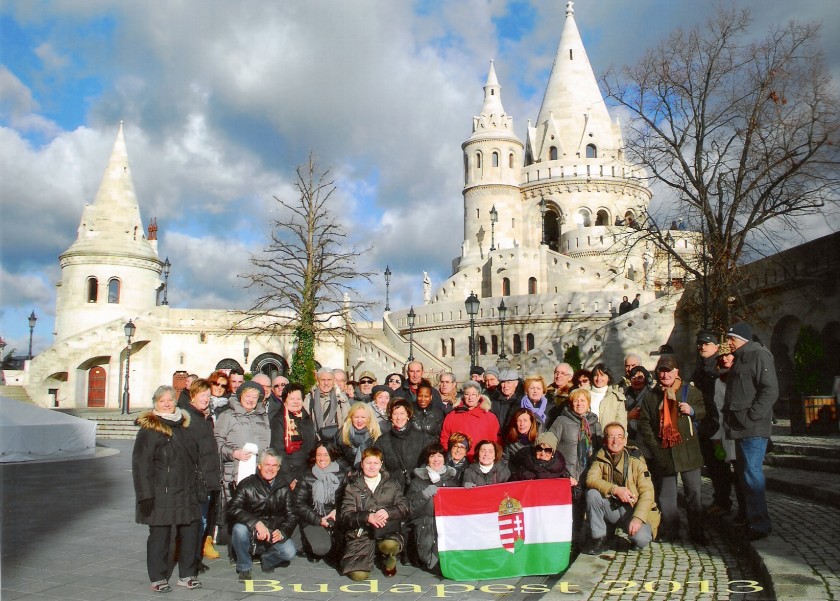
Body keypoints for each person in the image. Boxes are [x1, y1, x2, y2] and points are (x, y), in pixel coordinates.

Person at [133, 385, 203, 593]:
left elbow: (195, 459)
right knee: (160, 536)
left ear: (175, 402)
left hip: (186, 490)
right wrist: (145, 496)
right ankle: (158, 577)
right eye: (162, 400)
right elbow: (141, 465)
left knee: (190, 533)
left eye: (170, 400)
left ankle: (187, 575)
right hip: (160, 493)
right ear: (155, 403)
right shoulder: (149, 430)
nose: (166, 404)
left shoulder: (184, 426)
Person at [638, 356, 706, 544]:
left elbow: (703, 411)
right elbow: (644, 423)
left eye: (669, 370)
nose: (665, 374)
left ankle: (697, 533)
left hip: (688, 451)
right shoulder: (651, 396)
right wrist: (655, 446)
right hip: (664, 452)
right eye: (662, 370)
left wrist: (692, 410)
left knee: (694, 494)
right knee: (666, 496)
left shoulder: (689, 392)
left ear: (676, 372)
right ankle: (671, 531)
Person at [723, 321, 778, 540]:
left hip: (752, 427)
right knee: (745, 476)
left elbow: (770, 389)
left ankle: (759, 525)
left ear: (742, 339)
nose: (728, 343)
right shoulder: (743, 357)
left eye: (731, 338)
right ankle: (751, 520)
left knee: (752, 476)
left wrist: (752, 416)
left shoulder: (758, 355)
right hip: (741, 427)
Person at [584, 422, 660, 555]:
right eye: (611, 436)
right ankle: (599, 538)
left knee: (640, 539)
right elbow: (591, 479)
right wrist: (615, 489)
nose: (615, 441)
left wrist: (638, 518)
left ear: (625, 440)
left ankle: (632, 533)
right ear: (605, 440)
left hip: (634, 509)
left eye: (619, 436)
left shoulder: (636, 460)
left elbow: (648, 493)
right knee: (592, 494)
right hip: (613, 506)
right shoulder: (600, 457)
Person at [340, 447, 409, 580]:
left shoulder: (392, 483)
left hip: (386, 529)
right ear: (362, 464)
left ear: (381, 464)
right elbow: (346, 514)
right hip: (361, 532)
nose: (372, 467)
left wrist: (388, 511)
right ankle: (369, 557)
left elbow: (404, 506)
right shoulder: (352, 486)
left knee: (389, 545)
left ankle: (388, 558)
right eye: (368, 463)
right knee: (359, 576)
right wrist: (367, 517)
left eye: (375, 463)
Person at [228, 449, 297, 580]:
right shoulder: (247, 484)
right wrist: (256, 523)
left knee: (289, 552)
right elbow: (233, 508)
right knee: (239, 529)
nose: (270, 469)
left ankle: (267, 559)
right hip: (250, 529)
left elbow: (292, 515)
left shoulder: (284, 487)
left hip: (273, 529)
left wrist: (282, 531)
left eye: (274, 465)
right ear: (259, 466)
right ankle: (244, 567)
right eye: (267, 464)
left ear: (278, 468)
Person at [549, 388, 601, 545]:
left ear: (588, 403)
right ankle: (570, 541)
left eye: (582, 400)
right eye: (576, 401)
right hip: (569, 472)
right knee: (571, 510)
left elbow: (599, 448)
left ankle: (588, 537)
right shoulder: (561, 421)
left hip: (589, 471)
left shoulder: (594, 423)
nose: (579, 404)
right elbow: (551, 443)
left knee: (586, 506)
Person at [182, 378, 223, 569]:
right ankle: (190, 560)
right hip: (198, 479)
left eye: (208, 395)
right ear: (193, 395)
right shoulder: (189, 418)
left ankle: (194, 557)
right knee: (197, 521)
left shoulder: (204, 417)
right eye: (202, 395)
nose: (206, 399)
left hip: (208, 477)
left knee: (203, 520)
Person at [406, 443, 461, 572]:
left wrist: (468, 490)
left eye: (439, 456)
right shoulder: (417, 482)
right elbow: (409, 509)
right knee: (436, 565)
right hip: (426, 527)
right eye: (432, 456)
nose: (436, 460)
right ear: (427, 459)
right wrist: (423, 495)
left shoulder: (452, 481)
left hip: (448, 528)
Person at [215, 381, 272, 500]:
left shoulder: (264, 417)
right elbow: (216, 443)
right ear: (241, 396)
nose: (251, 400)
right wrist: (234, 453)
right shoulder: (227, 416)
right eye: (248, 396)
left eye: (254, 397)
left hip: (258, 475)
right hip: (233, 474)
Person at [692, 330, 728, 516]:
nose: (702, 346)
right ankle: (720, 499)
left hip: (719, 424)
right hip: (705, 424)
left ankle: (724, 501)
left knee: (720, 463)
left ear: (715, 346)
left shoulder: (718, 366)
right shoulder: (700, 368)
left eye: (706, 343)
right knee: (713, 464)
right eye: (700, 343)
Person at [293, 444, 348, 564]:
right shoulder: (306, 475)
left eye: (325, 455)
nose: (322, 458)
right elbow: (299, 504)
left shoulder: (341, 474)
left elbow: (347, 499)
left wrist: (337, 511)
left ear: (331, 456)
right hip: (313, 517)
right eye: (319, 455)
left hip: (334, 516)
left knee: (344, 549)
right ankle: (309, 544)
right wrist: (318, 520)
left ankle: (330, 541)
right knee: (320, 549)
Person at [269, 382, 318, 485]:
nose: (296, 402)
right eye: (292, 399)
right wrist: (289, 478)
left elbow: (313, 443)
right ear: (284, 400)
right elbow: (278, 451)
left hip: (308, 471)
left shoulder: (306, 417)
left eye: (299, 399)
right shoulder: (279, 420)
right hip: (290, 473)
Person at [375, 398, 427, 492]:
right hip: (392, 489)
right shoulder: (382, 441)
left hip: (415, 488)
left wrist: (418, 479)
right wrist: (389, 481)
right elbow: (378, 465)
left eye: (402, 413)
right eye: (395, 414)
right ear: (391, 417)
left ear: (408, 415)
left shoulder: (421, 438)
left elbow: (426, 462)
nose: (398, 417)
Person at [439, 381, 500, 461]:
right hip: (457, 460)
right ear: (463, 396)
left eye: (474, 394)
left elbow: (495, 440)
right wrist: (449, 455)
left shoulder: (490, 417)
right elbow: (445, 437)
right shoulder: (452, 415)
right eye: (467, 394)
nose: (470, 398)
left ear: (479, 396)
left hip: (480, 461)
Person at [332, 402, 381, 471]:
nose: (359, 420)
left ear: (368, 418)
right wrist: (347, 470)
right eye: (356, 417)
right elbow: (335, 455)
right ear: (351, 417)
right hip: (346, 473)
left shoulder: (375, 435)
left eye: (363, 417)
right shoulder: (342, 433)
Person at [307, 367, 347, 441]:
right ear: (318, 381)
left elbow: (346, 421)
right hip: (315, 441)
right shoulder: (309, 398)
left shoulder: (341, 399)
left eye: (329, 380)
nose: (326, 383)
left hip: (335, 441)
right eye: (323, 380)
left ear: (333, 381)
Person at [623, 366, 654, 459]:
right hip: (630, 440)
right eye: (633, 378)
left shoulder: (652, 395)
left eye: (640, 377)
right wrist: (628, 416)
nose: (636, 380)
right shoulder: (625, 395)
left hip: (647, 441)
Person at [589, 363, 626, 430]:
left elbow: (622, 423)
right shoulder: (585, 394)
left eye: (602, 375)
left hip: (608, 437)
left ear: (608, 377)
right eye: (596, 375)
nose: (598, 378)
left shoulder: (616, 397)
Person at [490, 369, 522, 436]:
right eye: (503, 382)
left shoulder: (521, 401)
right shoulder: (494, 401)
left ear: (516, 383)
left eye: (508, 382)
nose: (505, 386)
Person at [545, 363, 574, 427]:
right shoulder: (547, 391)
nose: (558, 376)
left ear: (570, 377)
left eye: (562, 373)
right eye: (556, 372)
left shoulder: (572, 394)